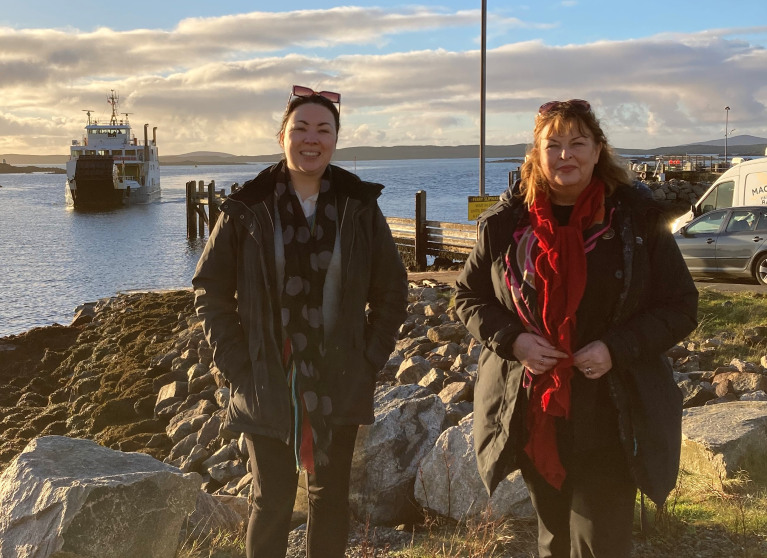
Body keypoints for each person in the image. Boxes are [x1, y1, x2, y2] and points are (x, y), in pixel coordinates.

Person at [454, 100, 697, 558]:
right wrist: (514, 341)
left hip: (613, 409)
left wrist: (615, 348)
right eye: (554, 145)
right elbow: (467, 297)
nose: (566, 155)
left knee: (602, 543)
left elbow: (681, 305)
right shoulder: (505, 223)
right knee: (553, 541)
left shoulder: (637, 220)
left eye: (578, 143)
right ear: (536, 154)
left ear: (598, 150)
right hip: (533, 407)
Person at [192, 85, 408, 558]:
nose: (312, 139)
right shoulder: (248, 206)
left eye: (323, 130)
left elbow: (392, 289)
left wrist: (368, 359)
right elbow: (210, 289)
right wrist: (238, 364)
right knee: (270, 502)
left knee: (329, 500)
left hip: (340, 375)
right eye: (301, 128)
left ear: (336, 139)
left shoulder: (358, 205)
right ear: (282, 136)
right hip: (265, 377)